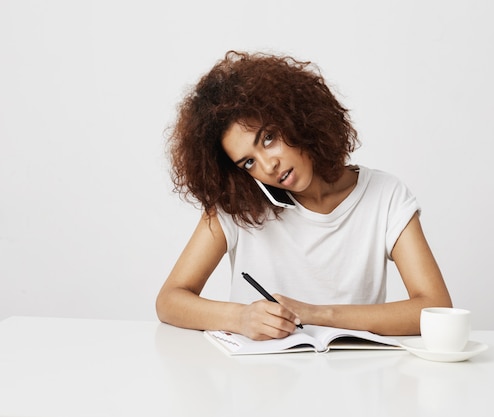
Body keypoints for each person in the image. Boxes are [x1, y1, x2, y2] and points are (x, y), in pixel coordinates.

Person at [156, 50, 452, 340]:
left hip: (357, 378)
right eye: (249, 162)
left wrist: (317, 314)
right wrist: (240, 318)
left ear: (297, 117)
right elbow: (169, 300)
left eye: (269, 138)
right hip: (259, 380)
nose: (268, 165)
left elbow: (434, 307)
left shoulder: (385, 196)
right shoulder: (237, 208)